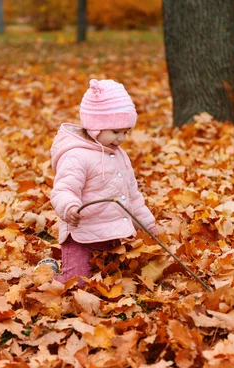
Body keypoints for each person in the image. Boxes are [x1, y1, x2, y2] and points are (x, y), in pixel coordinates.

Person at [45, 78, 159, 285]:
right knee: (77, 282)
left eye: (126, 132)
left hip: (114, 236)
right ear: (95, 127)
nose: (122, 138)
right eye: (116, 132)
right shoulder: (76, 156)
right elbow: (63, 189)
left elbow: (131, 196)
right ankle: (45, 271)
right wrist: (70, 207)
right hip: (81, 236)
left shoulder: (119, 156)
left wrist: (148, 225)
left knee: (126, 276)